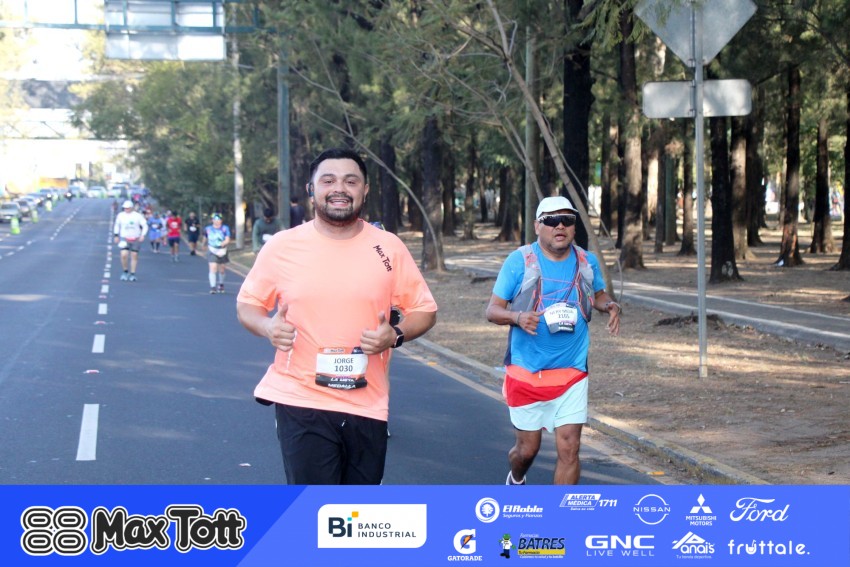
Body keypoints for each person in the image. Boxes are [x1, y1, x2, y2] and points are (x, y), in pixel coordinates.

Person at [236, 147, 437, 485]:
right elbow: (248, 305)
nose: (339, 188)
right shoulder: (282, 246)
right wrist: (267, 326)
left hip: (367, 402)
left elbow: (424, 309)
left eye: (350, 181)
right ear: (311, 189)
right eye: (328, 180)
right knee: (315, 506)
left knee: (356, 511)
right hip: (300, 398)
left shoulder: (388, 247)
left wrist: (395, 334)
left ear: (365, 190)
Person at [485, 196, 621, 485]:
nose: (560, 226)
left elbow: (597, 295)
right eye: (551, 220)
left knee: (570, 448)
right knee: (527, 450)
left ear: (574, 226)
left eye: (567, 220)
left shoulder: (586, 261)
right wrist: (517, 317)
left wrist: (609, 306)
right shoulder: (520, 261)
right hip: (526, 371)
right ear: (537, 226)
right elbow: (493, 310)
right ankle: (516, 477)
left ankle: (560, 511)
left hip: (572, 371)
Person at [113, 200, 148, 282]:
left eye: (128, 208)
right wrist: (116, 235)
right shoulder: (121, 215)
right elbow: (117, 225)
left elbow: (145, 226)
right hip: (124, 237)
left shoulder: (138, 216)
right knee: (124, 255)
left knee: (134, 255)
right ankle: (125, 271)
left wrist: (143, 235)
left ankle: (132, 273)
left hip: (135, 238)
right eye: (125, 208)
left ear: (131, 208)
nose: (126, 209)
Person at [202, 213, 231, 294]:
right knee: (213, 268)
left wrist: (224, 243)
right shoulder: (208, 229)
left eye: (219, 220)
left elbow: (227, 238)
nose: (217, 221)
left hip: (222, 250)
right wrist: (203, 244)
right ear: (212, 220)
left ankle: (221, 284)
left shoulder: (225, 228)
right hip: (212, 249)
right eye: (215, 219)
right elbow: (205, 237)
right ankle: (213, 287)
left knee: (222, 269)